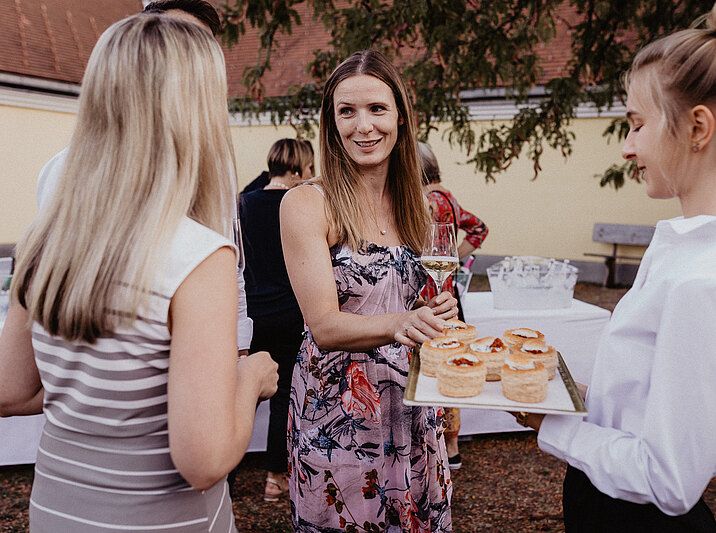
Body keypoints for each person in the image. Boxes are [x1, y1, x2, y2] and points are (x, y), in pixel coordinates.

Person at [514, 0, 716, 530]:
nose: (627, 148)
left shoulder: (705, 282)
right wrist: (575, 397)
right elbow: (656, 402)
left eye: (637, 124)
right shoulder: (705, 250)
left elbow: (667, 480)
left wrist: (549, 424)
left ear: (698, 127)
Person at [0, 14, 279, 531]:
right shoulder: (198, 255)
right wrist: (250, 380)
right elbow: (203, 461)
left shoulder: (45, 236)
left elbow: (10, 389)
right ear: (196, 113)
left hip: (57, 513)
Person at [280, 50, 457, 531]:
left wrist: (435, 310)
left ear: (400, 116)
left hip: (413, 404)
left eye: (377, 109)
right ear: (331, 122)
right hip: (340, 414)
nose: (364, 126)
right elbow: (324, 326)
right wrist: (403, 321)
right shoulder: (306, 203)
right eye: (347, 111)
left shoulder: (417, 205)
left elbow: (408, 301)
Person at [33, 0, 254, 356]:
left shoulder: (216, 168)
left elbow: (233, 269)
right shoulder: (62, 173)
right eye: (179, 46)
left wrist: (240, 351)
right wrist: (251, 379)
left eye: (202, 49)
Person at [237, 138, 315, 501]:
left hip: (252, 313)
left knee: (243, 392)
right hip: (288, 311)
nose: (312, 176)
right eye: (309, 169)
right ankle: (274, 477)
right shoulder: (297, 205)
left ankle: (226, 476)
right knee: (283, 395)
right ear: (297, 170)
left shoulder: (243, 204)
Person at [418, 141, 489, 472]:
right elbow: (479, 229)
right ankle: (453, 446)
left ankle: (434, 443)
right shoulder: (449, 198)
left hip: (430, 291)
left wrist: (449, 258)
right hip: (450, 291)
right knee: (450, 358)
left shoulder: (425, 201)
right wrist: (455, 257)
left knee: (433, 364)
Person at [241, 139, 315, 194]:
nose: (310, 175)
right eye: (309, 167)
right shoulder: (295, 202)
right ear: (294, 168)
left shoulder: (244, 200)